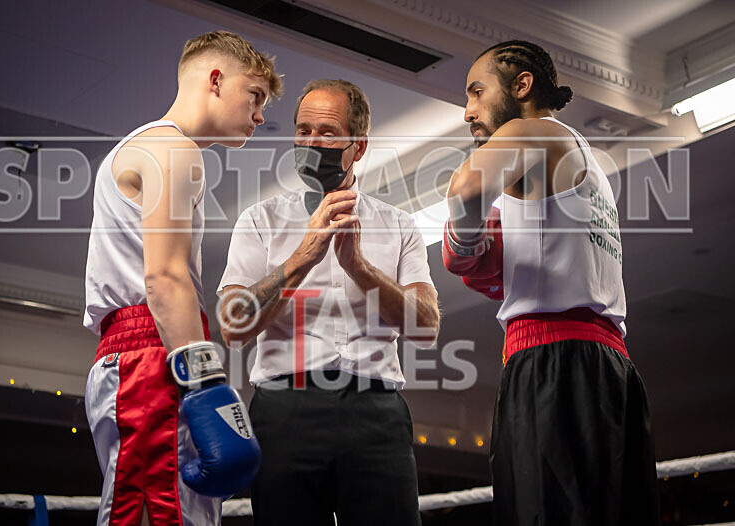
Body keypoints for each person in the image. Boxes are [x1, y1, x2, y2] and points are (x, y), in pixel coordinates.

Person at [442, 40, 660, 525]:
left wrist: (463, 240)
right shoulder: (583, 164)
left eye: (477, 92)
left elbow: (466, 189)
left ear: (521, 86)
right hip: (610, 372)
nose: (467, 111)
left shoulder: (530, 131)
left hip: (554, 367)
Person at [217, 79, 440, 526]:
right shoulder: (260, 219)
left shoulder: (399, 225)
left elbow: (426, 327)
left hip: (376, 409)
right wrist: (304, 256)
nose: (311, 143)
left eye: (327, 133)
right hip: (284, 407)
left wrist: (358, 267)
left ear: (358, 147)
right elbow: (232, 326)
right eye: (303, 131)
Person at [82, 31, 282, 526]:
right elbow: (165, 278)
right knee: (156, 514)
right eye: (254, 96)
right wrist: (208, 385)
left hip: (148, 355)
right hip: (153, 358)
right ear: (215, 80)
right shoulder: (173, 149)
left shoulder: (149, 147)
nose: (260, 116)